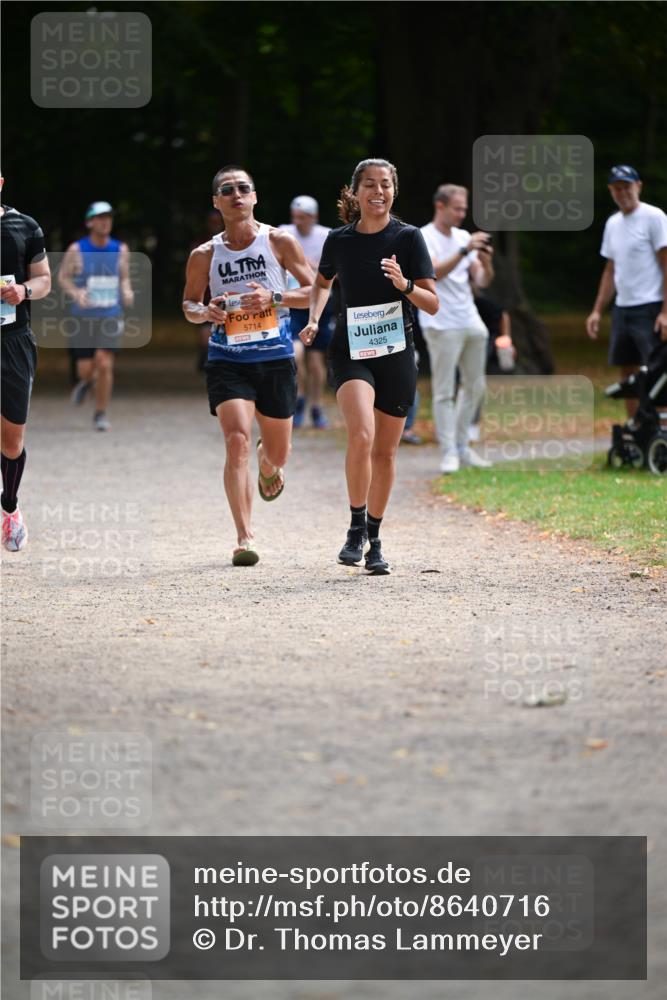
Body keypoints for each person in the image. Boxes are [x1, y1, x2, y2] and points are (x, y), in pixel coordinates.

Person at [300, 158, 438, 575]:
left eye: (386, 185)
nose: (379, 192)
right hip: (350, 350)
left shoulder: (410, 238)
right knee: (361, 433)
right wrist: (312, 317)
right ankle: (356, 526)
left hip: (397, 352)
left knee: (386, 452)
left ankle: (375, 539)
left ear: (394, 191)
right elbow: (322, 284)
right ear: (356, 192)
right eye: (370, 185)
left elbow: (433, 303)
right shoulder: (338, 240)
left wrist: (405, 285)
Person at [182, 164, 312, 567]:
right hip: (228, 359)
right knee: (235, 440)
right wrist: (206, 312)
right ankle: (244, 536)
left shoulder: (278, 241)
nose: (236, 194)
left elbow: (312, 292)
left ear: (254, 196)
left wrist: (274, 297)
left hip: (274, 358)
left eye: (243, 188)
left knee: (280, 452)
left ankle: (268, 460)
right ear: (216, 202)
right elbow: (188, 304)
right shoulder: (204, 254)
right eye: (227, 189)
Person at [418, 183, 495, 474]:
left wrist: (486, 265)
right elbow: (432, 272)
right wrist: (465, 251)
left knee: (476, 387)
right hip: (440, 321)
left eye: (465, 208)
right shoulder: (425, 236)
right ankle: (448, 452)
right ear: (440, 206)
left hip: (470, 319)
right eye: (457, 208)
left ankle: (464, 447)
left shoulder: (464, 237)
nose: (463, 214)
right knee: (444, 391)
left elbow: (481, 281)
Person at [586, 165, 667, 417]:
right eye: (617, 188)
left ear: (638, 186)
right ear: (611, 190)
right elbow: (610, 270)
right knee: (627, 371)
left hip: (650, 306)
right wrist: (597, 310)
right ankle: (636, 427)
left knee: (657, 371)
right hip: (623, 308)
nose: (623, 193)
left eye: (627, 187)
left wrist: (665, 311)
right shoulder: (613, 223)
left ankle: (663, 429)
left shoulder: (654, 217)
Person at [0, 175, 51, 551]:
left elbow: (44, 280)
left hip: (13, 342)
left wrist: (23, 291)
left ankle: (10, 507)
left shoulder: (25, 226)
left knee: (11, 441)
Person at [58, 201, 134, 431]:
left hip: (111, 313)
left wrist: (128, 291)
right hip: (83, 316)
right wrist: (76, 293)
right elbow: (63, 277)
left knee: (104, 363)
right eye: (100, 218)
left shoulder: (120, 249)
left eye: (108, 217)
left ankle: (100, 413)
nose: (105, 222)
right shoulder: (76, 249)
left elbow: (124, 278)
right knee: (85, 368)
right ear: (90, 222)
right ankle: (86, 381)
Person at [280, 195, 332, 429]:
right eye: (295, 217)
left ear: (313, 217)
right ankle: (299, 399)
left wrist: (312, 267)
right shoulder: (283, 233)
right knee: (296, 355)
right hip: (293, 300)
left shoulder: (326, 236)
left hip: (320, 303)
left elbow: (335, 272)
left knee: (316, 360)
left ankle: (317, 405)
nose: (297, 222)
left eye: (302, 218)